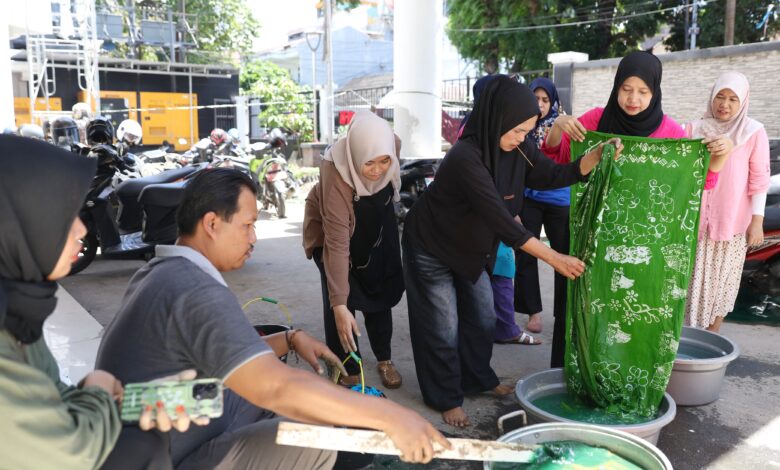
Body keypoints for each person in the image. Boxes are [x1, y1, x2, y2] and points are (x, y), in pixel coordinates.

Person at [96, 168, 450, 468]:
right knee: (316, 439)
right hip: (167, 456)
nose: (254, 239)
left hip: (183, 416)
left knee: (307, 401)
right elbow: (276, 387)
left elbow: (218, 353)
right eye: (248, 225)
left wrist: (290, 338)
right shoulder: (194, 290)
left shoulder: (161, 271)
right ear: (212, 224)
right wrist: (390, 416)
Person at [403, 75, 621, 427]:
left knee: (483, 315)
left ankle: (477, 379)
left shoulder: (517, 147)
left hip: (470, 248)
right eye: (518, 131)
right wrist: (555, 258)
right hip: (432, 247)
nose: (523, 139)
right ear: (497, 119)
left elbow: (550, 174)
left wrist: (592, 159)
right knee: (442, 325)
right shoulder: (465, 157)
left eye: (527, 131)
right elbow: (503, 222)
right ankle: (445, 395)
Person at [0, 135, 180, 469]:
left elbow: (48, 396)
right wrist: (97, 391)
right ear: (19, 220)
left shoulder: (18, 309)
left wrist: (90, 390)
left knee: (142, 436)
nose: (82, 228)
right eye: (65, 214)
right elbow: (67, 452)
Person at [541, 50, 730, 367]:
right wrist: (558, 125)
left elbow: (697, 183)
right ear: (616, 87)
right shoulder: (595, 120)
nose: (633, 98)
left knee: (632, 313)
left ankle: (625, 378)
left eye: (644, 91)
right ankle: (573, 375)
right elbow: (558, 158)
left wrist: (720, 157)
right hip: (593, 236)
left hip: (645, 243)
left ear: (655, 92)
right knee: (583, 307)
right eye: (626, 88)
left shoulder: (670, 132)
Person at [303, 111, 405, 388]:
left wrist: (384, 161)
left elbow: (387, 166)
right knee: (340, 300)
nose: (377, 170)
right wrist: (338, 304)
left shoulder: (391, 143)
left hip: (375, 229)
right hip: (334, 234)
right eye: (368, 162)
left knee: (379, 292)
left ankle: (384, 358)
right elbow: (336, 242)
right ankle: (348, 366)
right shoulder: (334, 171)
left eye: (385, 161)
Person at [685, 72, 770, 332]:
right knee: (690, 283)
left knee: (722, 283)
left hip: (731, 223)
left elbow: (759, 180)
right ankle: (683, 338)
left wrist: (757, 222)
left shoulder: (752, 132)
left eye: (733, 99)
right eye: (720, 97)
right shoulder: (692, 129)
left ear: (743, 101)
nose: (725, 104)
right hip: (693, 223)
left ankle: (712, 337)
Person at [515, 77, 568, 338]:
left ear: (553, 102)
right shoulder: (521, 126)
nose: (540, 104)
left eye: (545, 100)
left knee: (563, 257)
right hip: (531, 198)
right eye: (535, 99)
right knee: (526, 253)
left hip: (559, 200)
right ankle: (533, 311)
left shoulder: (562, 124)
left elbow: (562, 157)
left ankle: (563, 312)